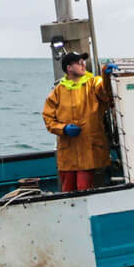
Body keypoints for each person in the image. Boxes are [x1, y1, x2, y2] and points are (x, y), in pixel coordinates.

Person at [42, 51, 116, 193]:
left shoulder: (94, 83)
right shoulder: (57, 91)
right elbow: (48, 119)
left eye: (83, 61)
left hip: (90, 151)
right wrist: (63, 129)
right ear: (68, 68)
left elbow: (107, 92)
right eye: (79, 62)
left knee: (85, 187)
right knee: (67, 190)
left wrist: (106, 74)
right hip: (67, 155)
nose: (83, 64)